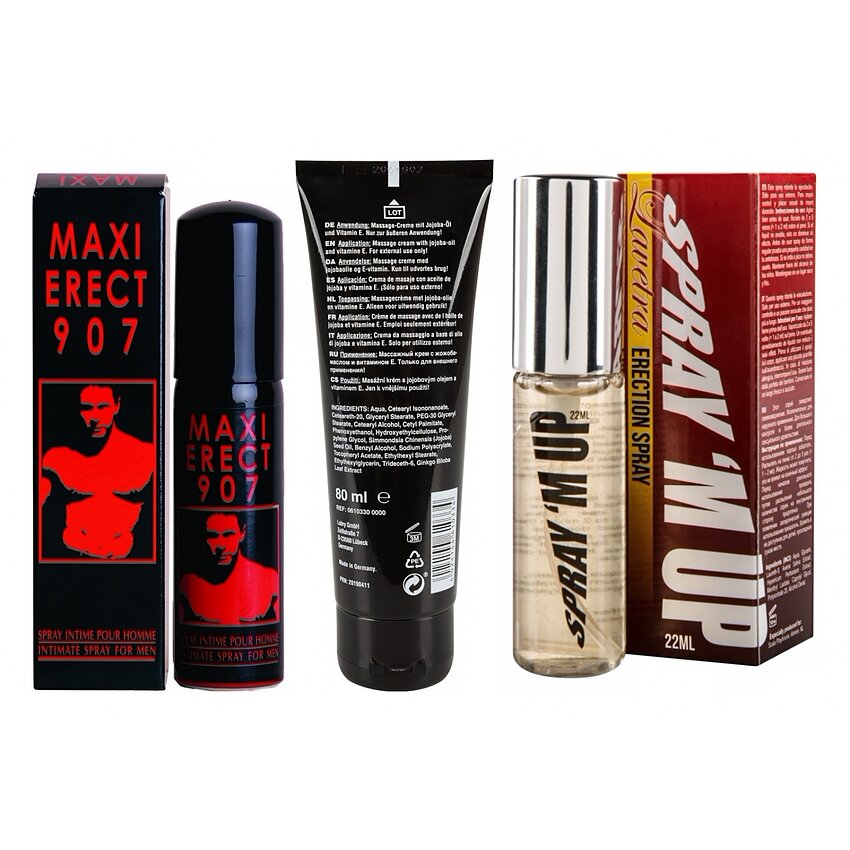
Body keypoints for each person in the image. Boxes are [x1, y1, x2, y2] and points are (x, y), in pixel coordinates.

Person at [40, 384, 154, 559]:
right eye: (87, 408)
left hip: (130, 564)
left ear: (117, 405)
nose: (94, 417)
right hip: (69, 561)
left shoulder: (145, 455)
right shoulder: (55, 459)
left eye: (103, 407)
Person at [178, 512, 279, 625]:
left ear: (242, 533)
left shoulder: (269, 580)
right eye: (213, 535)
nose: (221, 545)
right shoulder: (188, 584)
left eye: (228, 535)